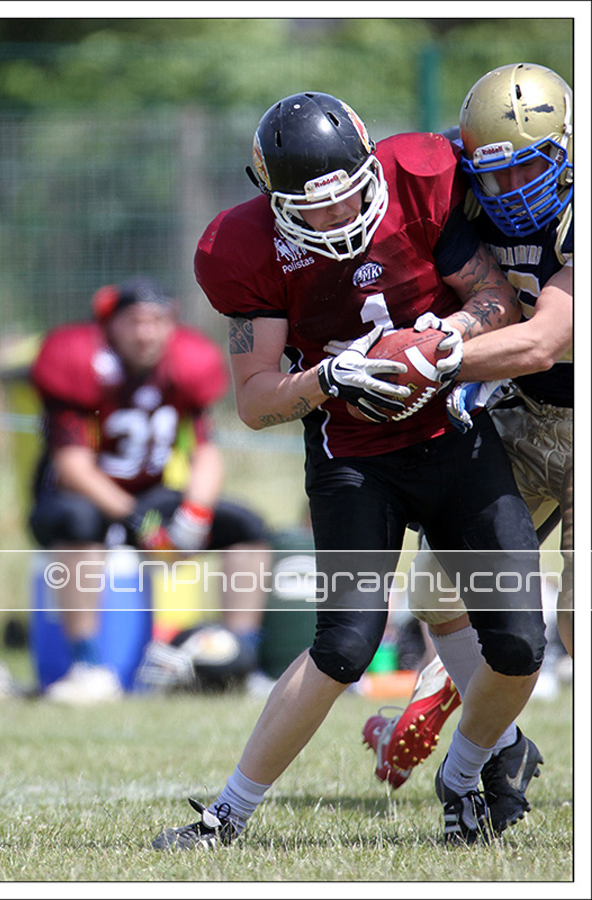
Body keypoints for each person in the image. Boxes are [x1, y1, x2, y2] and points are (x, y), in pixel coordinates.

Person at [151, 91, 546, 850]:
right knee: (343, 644)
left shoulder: (419, 180)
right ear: (274, 200)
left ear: (371, 168)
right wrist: (327, 379)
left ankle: (464, 774)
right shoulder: (245, 247)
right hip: (354, 456)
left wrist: (448, 339)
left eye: (346, 196)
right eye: (312, 207)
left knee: (520, 642)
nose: (335, 217)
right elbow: (254, 400)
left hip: (455, 435)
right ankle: (225, 815)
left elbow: (493, 295)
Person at [363, 63, 573, 830]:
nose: (510, 186)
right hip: (524, 410)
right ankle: (497, 745)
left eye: (528, 164)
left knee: (577, 619)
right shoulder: (458, 190)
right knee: (438, 590)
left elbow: (544, 339)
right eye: (495, 169)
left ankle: (463, 741)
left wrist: (426, 358)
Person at [29, 277, 272, 704]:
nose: (146, 333)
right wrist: (138, 519)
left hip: (149, 498)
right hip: (83, 499)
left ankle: (239, 660)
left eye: (156, 321)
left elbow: (206, 454)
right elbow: (71, 467)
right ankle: (87, 665)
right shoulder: (80, 362)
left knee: (247, 528)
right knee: (79, 521)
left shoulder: (184, 368)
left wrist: (195, 515)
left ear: (171, 325)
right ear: (111, 325)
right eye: (134, 322)